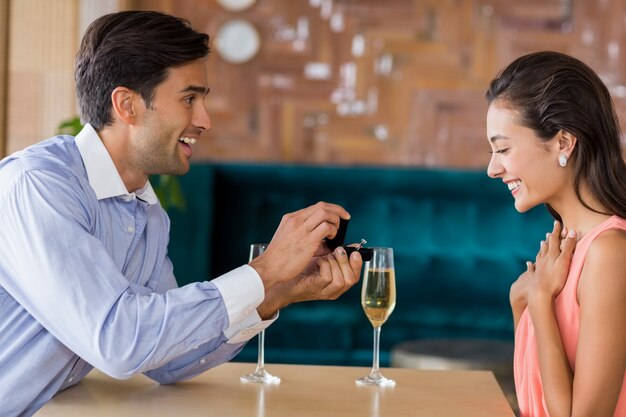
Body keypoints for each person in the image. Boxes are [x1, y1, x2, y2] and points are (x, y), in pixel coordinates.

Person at [0, 10, 363, 416]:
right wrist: (265, 270)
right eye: (189, 98)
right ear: (127, 105)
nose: (205, 120)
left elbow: (168, 359)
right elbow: (118, 343)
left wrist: (277, 292)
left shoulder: (147, 213)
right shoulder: (39, 186)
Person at [486, 50, 626, 417]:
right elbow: (532, 398)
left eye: (503, 148)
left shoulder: (610, 252)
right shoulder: (564, 248)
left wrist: (539, 302)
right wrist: (526, 303)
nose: (492, 168)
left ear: (564, 142)